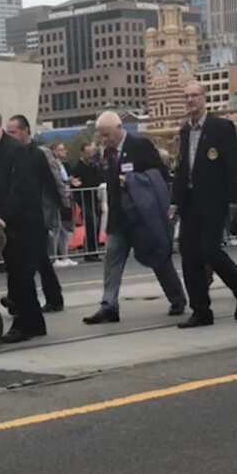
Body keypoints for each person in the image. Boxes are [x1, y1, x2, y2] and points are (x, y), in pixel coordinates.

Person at [82, 111, 186, 324]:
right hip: (120, 219)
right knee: (112, 261)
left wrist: (132, 180)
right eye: (102, 135)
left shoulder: (141, 146)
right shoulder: (107, 154)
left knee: (159, 258)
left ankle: (177, 298)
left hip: (142, 217)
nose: (105, 139)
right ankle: (108, 305)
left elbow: (159, 175)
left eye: (108, 134)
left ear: (120, 128)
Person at [172, 80, 237, 328]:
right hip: (190, 202)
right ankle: (200, 310)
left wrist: (235, 201)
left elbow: (234, 166)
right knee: (189, 254)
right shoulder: (185, 131)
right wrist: (174, 201)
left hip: (214, 200)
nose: (190, 100)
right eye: (186, 96)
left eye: (194, 95)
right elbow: (181, 168)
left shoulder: (221, 127)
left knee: (210, 250)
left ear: (204, 98)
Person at [0, 103, 47, 342]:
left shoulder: (15, 150)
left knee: (20, 275)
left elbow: (21, 189)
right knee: (15, 272)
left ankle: (24, 323)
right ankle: (34, 323)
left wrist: (4, 214)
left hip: (24, 222)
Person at [4, 115, 65, 314]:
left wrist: (61, 208)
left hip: (40, 213)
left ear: (25, 131)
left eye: (12, 131)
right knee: (38, 258)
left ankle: (21, 298)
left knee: (32, 260)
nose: (9, 135)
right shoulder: (14, 153)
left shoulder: (39, 154)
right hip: (23, 215)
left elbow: (53, 182)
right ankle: (49, 297)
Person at [71, 142, 104, 262]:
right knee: (91, 222)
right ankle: (89, 252)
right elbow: (75, 184)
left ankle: (93, 250)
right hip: (84, 199)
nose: (91, 155)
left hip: (95, 198)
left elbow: (100, 178)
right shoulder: (78, 168)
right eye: (88, 153)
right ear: (82, 153)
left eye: (92, 152)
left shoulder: (93, 166)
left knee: (97, 223)